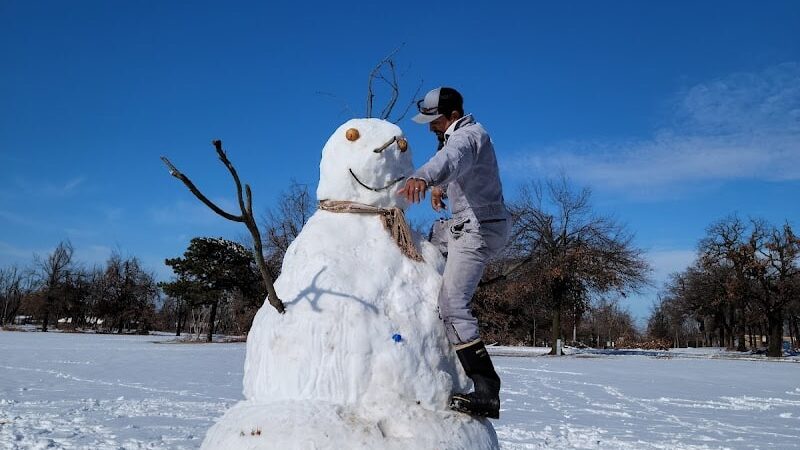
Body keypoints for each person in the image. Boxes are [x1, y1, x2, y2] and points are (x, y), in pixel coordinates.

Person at [397, 87, 510, 419]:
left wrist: (423, 177)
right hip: (468, 223)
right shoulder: (461, 136)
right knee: (429, 240)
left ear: (454, 115)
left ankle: (487, 390)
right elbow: (460, 167)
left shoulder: (468, 136)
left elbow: (453, 158)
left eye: (435, 120)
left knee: (452, 304)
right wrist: (440, 188)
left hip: (478, 227)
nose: (431, 127)